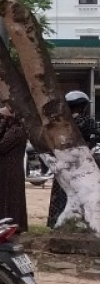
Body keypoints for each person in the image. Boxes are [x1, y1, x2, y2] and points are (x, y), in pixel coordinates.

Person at [48, 90, 100, 228]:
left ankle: (56, 222)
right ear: (81, 106)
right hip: (81, 167)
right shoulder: (86, 121)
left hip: (62, 164)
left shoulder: (60, 123)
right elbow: (96, 138)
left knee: (61, 193)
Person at [0, 105, 29, 228]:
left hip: (11, 167)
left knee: (11, 196)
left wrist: (1, 131)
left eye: (5, 117)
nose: (3, 119)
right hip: (8, 166)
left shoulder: (15, 131)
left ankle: (12, 222)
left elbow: (1, 147)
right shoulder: (16, 129)